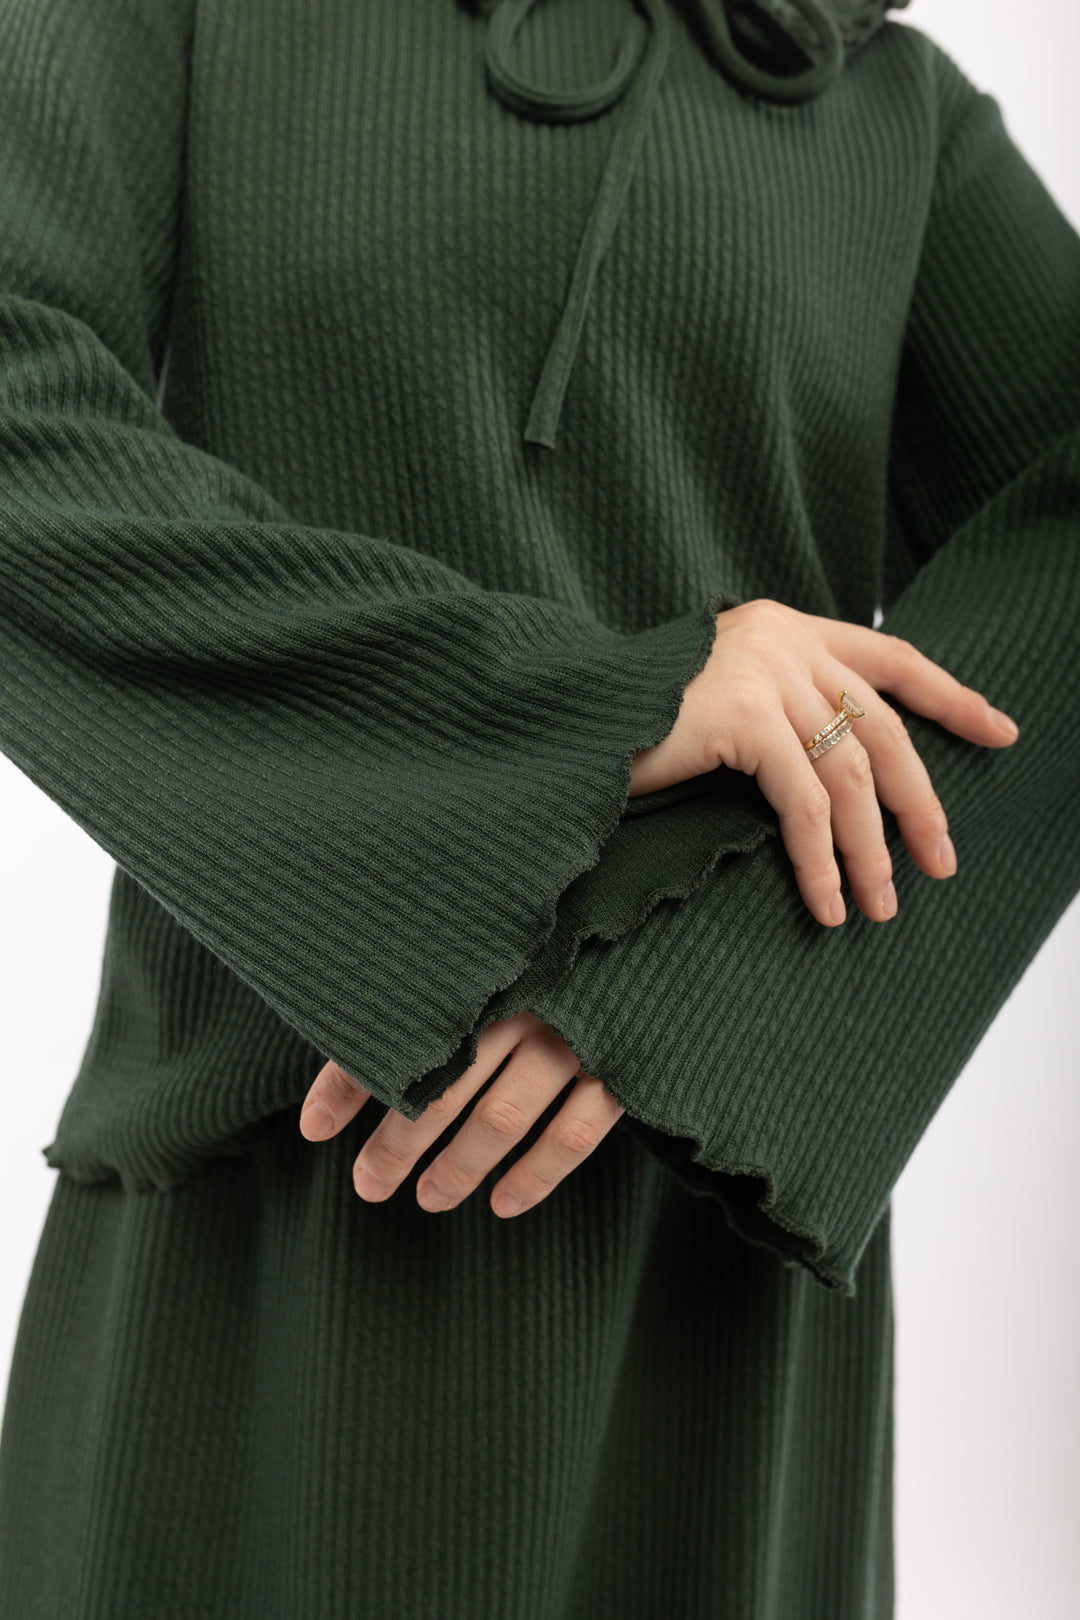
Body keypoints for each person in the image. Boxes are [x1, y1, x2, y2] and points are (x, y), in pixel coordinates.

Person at [0, 1, 1075, 1615]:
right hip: (268, 1203)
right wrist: (596, 710)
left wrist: (692, 985)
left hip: (705, 1239)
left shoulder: (874, 98)